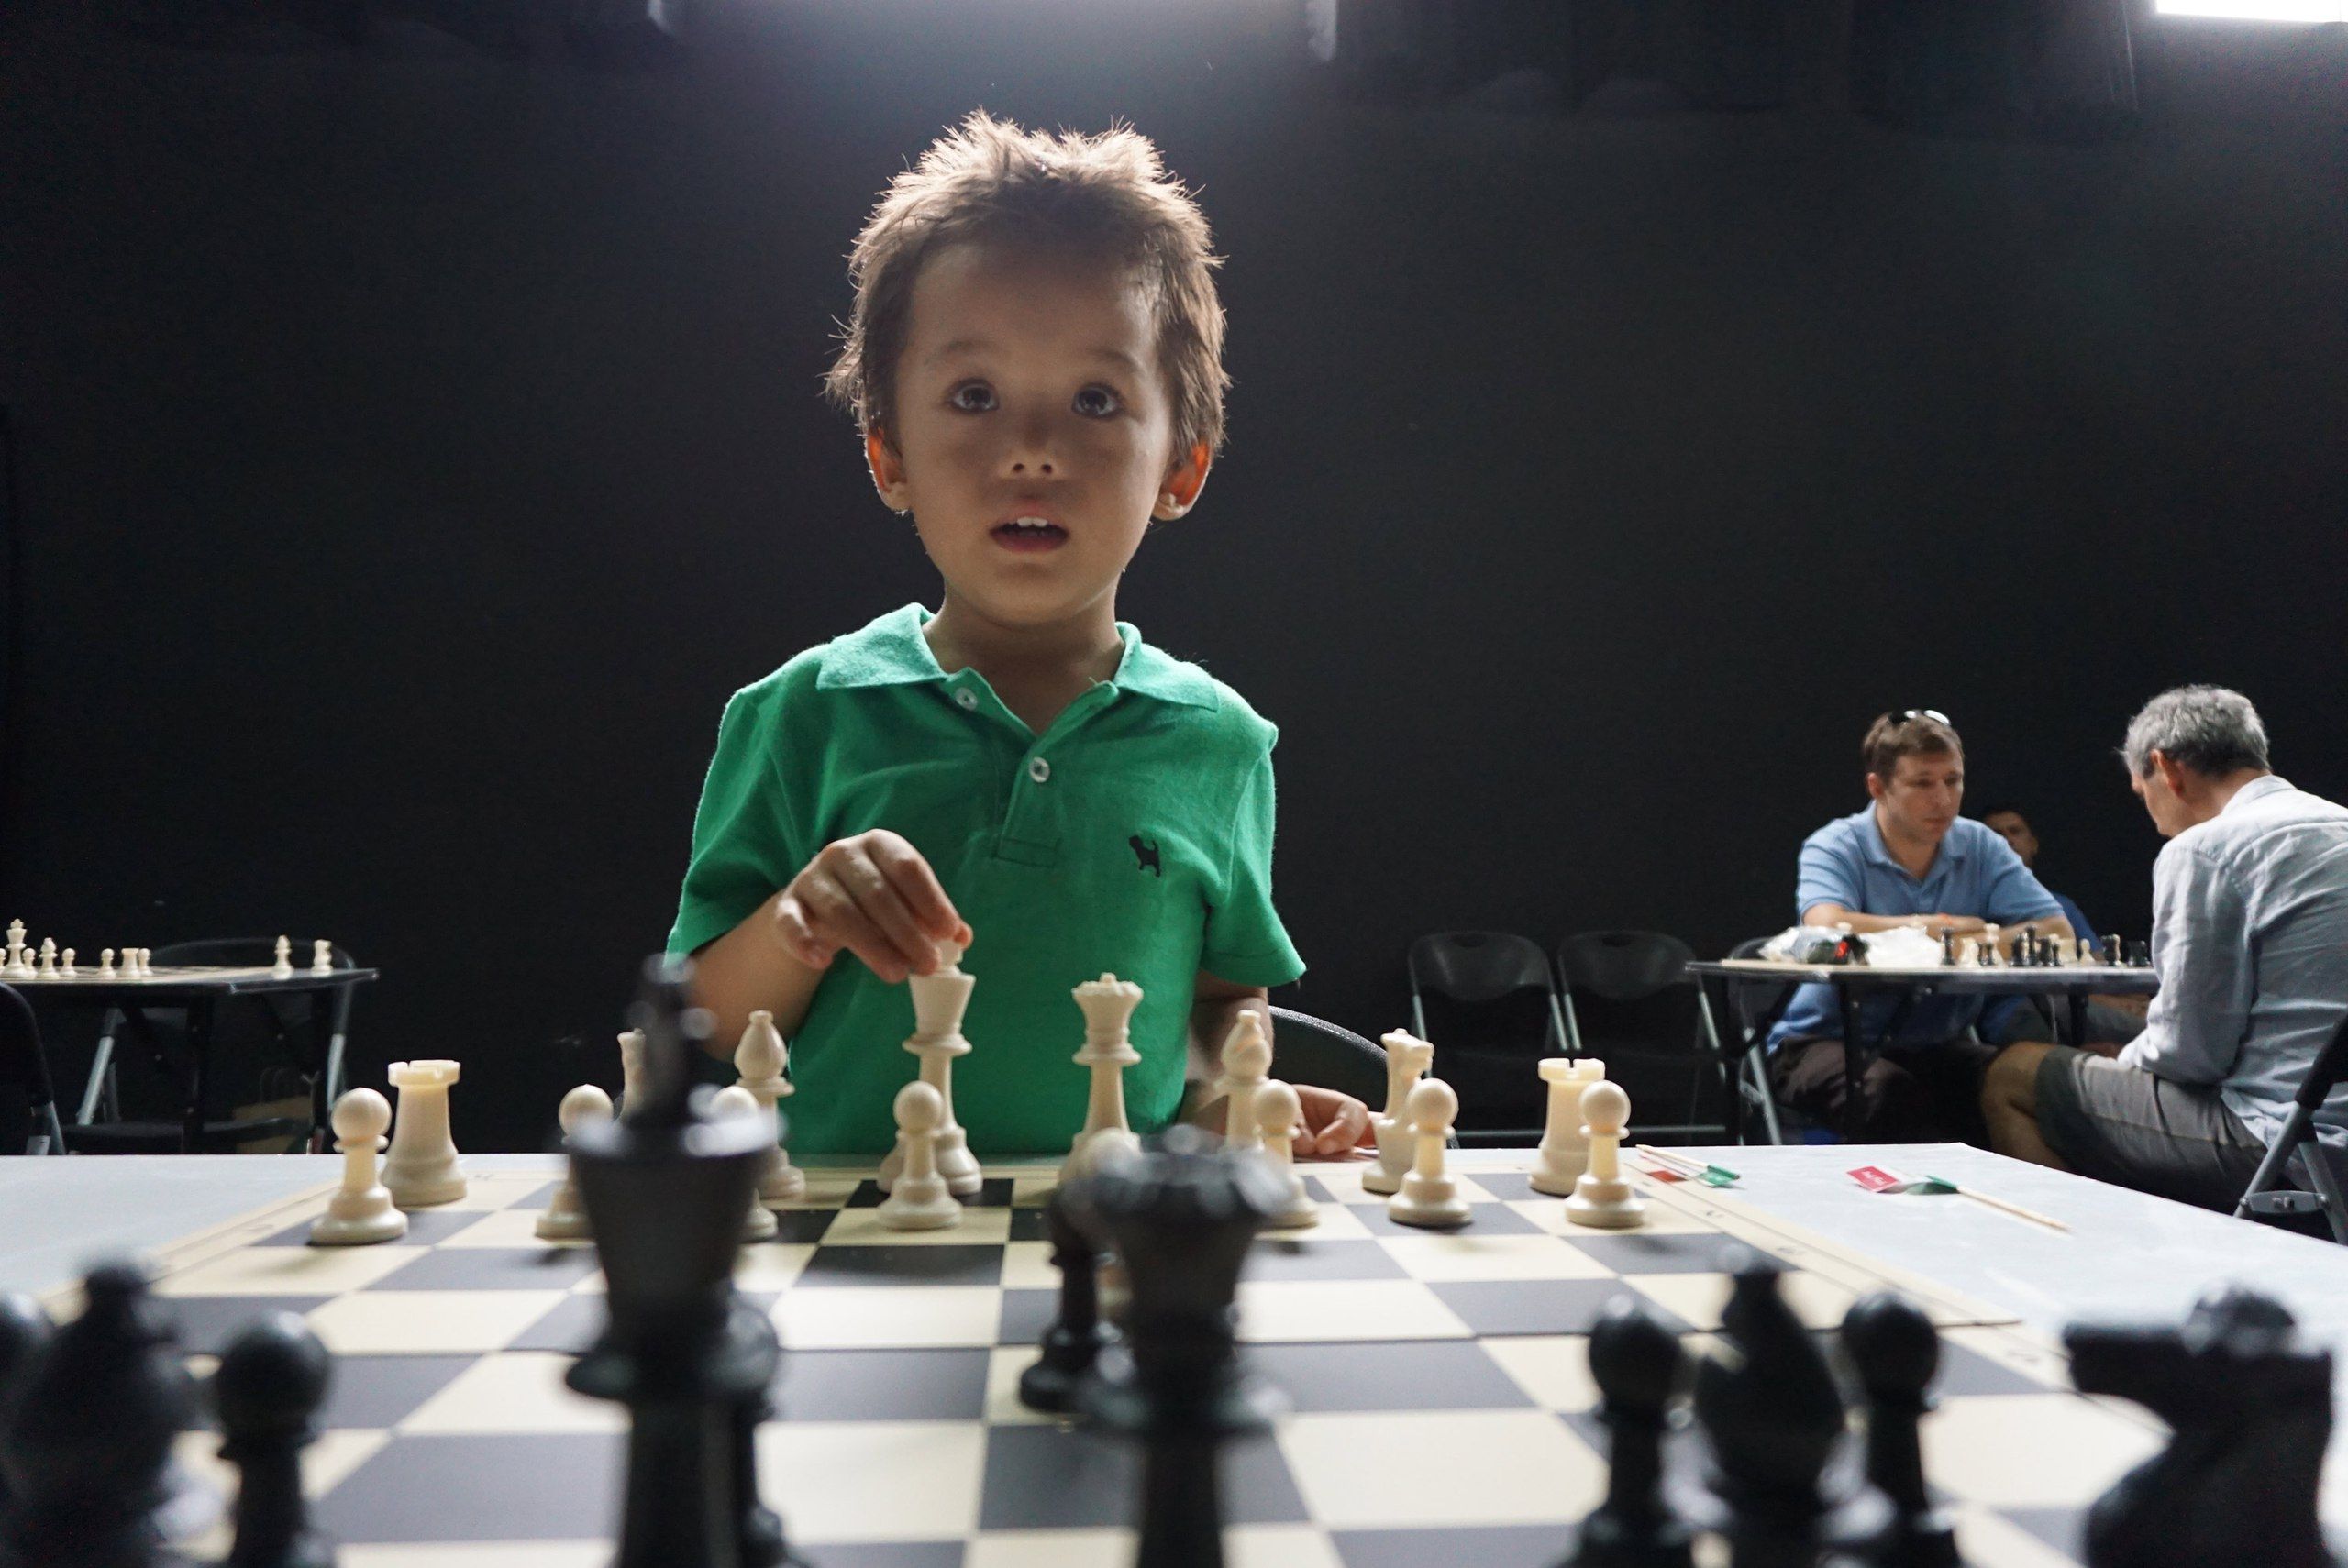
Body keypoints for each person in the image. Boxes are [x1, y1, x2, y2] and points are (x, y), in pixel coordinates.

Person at [669, 114, 1370, 1159]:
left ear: (1181, 466)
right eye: (973, 396)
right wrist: (796, 920)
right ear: (889, 456)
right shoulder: (800, 715)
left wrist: (1242, 1101)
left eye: (1094, 399)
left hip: (1110, 1227)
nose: (1032, 450)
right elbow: (703, 1023)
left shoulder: (1219, 743)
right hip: (845, 1235)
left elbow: (1222, 1005)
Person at [1983, 687, 2348, 1209]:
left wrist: (2124, 1060)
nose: (2154, 819)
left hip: (2292, 1148)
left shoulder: (2204, 849)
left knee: (2012, 1073)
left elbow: (2191, 1054)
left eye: (2143, 794)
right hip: (2325, 1129)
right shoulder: (2338, 825)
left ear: (2166, 769)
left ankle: (2080, 1254)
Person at [1766, 712, 2075, 1142]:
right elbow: (1827, 924)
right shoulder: (1835, 844)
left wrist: (1970, 943)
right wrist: (1933, 928)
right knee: (1888, 1092)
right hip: (1821, 1041)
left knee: (2030, 1080)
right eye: (1922, 783)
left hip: (1933, 1045)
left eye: (1953, 780)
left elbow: (2057, 931)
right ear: (1878, 788)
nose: (1943, 799)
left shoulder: (1981, 845)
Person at [1975, 804, 2144, 1049]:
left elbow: (2098, 966)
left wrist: (2131, 998)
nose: (2008, 840)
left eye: (2015, 831)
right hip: (2017, 1012)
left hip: (2074, 1006)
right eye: (1997, 835)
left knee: (2157, 1022)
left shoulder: (2060, 904)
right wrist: (2112, 1003)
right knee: (2156, 1035)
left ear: (2033, 844)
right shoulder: (1975, 905)